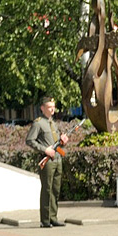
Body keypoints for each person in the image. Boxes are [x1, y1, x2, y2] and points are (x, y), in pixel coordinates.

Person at [26, 96, 69, 228]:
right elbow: (30, 140)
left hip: (57, 159)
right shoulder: (38, 123)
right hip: (47, 160)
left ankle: (53, 217)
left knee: (55, 189)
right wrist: (45, 150)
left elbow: (56, 143)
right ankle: (45, 220)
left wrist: (63, 142)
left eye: (53, 107)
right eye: (49, 107)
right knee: (47, 189)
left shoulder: (53, 123)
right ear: (42, 108)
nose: (52, 109)